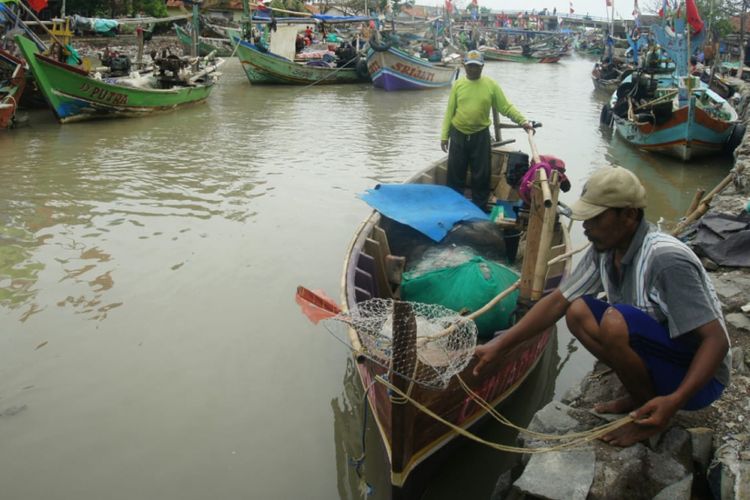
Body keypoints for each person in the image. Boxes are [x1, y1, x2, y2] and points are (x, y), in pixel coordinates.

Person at [473, 167, 731, 447]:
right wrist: (500, 345)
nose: (586, 227)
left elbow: (716, 342)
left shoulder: (665, 260)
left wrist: (675, 401)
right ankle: (641, 396)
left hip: (699, 380)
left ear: (629, 215)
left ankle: (653, 416)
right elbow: (558, 301)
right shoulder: (605, 250)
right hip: (663, 357)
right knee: (577, 311)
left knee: (614, 321)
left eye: (596, 219)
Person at [441, 50, 533, 209]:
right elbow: (450, 112)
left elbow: (506, 107)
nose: (473, 70)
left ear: (482, 67)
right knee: (455, 175)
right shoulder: (458, 85)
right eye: (470, 66)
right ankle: (453, 206)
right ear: (464, 66)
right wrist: (444, 136)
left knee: (481, 175)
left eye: (476, 67)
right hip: (458, 134)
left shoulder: (491, 85)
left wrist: (523, 121)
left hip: (480, 135)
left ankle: (479, 208)